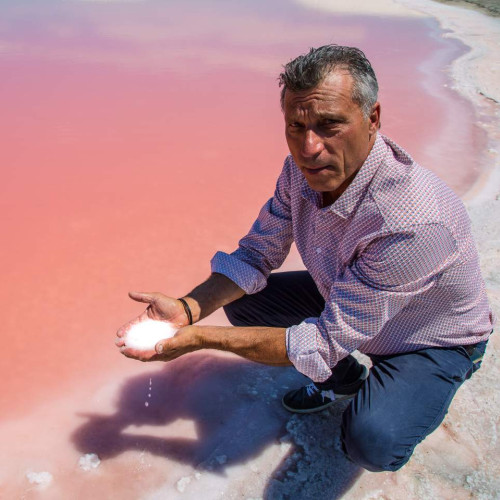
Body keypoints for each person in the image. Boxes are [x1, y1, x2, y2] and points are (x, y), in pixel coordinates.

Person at [116, 45, 494, 472]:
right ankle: (344, 379)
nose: (309, 147)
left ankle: (423, 385)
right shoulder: (299, 172)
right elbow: (257, 254)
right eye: (296, 126)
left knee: (372, 441)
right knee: (243, 300)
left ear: (373, 118)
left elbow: (324, 341)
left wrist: (201, 339)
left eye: (330, 124)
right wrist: (188, 309)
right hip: (347, 300)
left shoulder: (415, 221)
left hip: (428, 338)